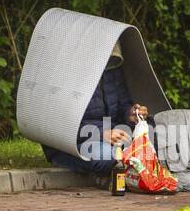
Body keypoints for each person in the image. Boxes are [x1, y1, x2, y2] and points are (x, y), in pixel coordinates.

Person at [41, 42, 149, 176]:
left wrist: (130, 114)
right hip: (71, 144)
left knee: (152, 142)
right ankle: (104, 171)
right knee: (106, 156)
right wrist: (102, 133)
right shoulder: (66, 75)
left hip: (110, 137)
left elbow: (122, 104)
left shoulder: (112, 70)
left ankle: (117, 170)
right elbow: (60, 123)